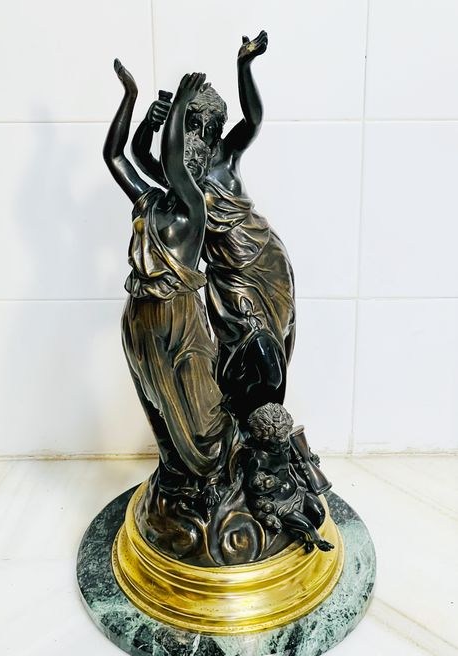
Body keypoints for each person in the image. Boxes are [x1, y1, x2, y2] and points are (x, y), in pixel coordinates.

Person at [132, 31, 296, 423]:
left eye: (210, 125)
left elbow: (254, 119)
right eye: (192, 124)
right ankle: (241, 424)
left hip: (266, 259)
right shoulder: (180, 175)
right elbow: (138, 156)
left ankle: (266, 427)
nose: (202, 134)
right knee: (251, 352)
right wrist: (150, 124)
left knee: (276, 342)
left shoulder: (227, 154)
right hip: (227, 277)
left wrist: (244, 66)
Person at [103, 62, 235, 501]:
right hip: (139, 316)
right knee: (155, 401)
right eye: (182, 159)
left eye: (195, 164)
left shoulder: (195, 209)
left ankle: (212, 474)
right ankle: (176, 478)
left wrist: (179, 108)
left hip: (179, 321)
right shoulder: (150, 202)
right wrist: (132, 100)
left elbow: (175, 162)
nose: (187, 166)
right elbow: (115, 157)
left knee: (198, 407)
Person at [243, 403, 334, 553]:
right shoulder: (258, 459)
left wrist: (308, 459)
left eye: (283, 441)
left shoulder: (284, 443)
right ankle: (314, 538)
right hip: (280, 503)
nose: (281, 447)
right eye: (276, 444)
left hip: (297, 491)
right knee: (306, 525)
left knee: (319, 512)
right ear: (263, 440)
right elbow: (253, 485)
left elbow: (295, 460)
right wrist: (268, 482)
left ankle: (305, 537)